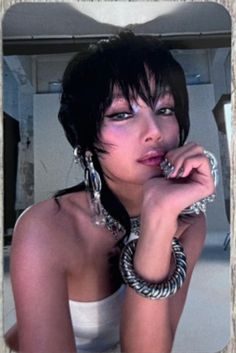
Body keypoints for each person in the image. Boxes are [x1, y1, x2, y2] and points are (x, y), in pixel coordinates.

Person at [5, 31, 217, 353]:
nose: (155, 133)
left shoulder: (188, 220)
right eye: (121, 114)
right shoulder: (45, 228)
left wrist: (158, 223)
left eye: (165, 110)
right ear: (87, 140)